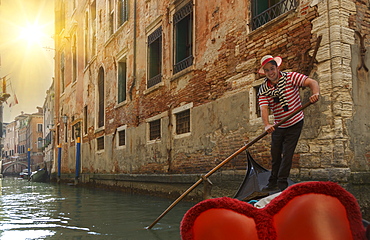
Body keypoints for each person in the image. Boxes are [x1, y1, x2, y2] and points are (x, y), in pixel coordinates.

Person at [257, 55, 320, 192]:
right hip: (279, 125)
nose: (270, 73)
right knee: (275, 155)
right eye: (267, 70)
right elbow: (264, 108)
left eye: (272, 69)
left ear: (277, 68)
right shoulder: (263, 89)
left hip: (295, 122)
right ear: (265, 73)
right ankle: (272, 181)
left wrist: (315, 93)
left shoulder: (291, 77)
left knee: (287, 154)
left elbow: (312, 82)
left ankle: (281, 185)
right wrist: (267, 124)